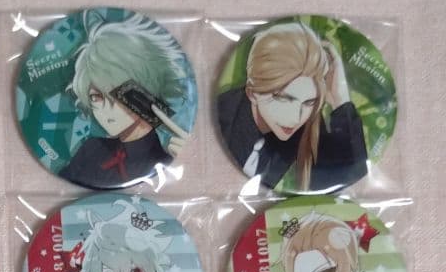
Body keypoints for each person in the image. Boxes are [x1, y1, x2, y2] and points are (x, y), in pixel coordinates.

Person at [217, 21, 368, 192]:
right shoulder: (225, 119)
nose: (295, 118)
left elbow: (349, 178)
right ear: (252, 93)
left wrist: (341, 101)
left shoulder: (305, 124)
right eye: (283, 98)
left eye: (309, 102)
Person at [59, 12, 190, 188]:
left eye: (116, 95)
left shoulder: (163, 160)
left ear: (144, 92)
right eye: (96, 97)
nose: (106, 110)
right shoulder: (92, 149)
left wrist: (187, 156)